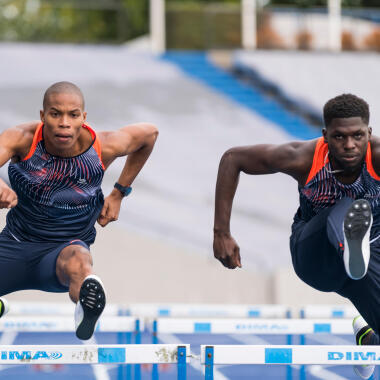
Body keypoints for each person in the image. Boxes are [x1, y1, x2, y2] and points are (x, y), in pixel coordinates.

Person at [213, 94, 379, 379]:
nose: (349, 146)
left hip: (366, 260)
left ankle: (369, 340)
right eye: (339, 137)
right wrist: (221, 233)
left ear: (369, 133)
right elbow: (233, 158)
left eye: (357, 136)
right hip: (315, 253)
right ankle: (350, 243)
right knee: (345, 209)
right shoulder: (302, 157)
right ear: (325, 136)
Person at [0, 81, 158, 340]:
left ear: (83, 118)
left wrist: (119, 192)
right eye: (55, 114)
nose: (64, 123)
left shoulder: (102, 146)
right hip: (16, 244)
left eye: (73, 115)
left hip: (62, 252)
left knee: (81, 264)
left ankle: (85, 310)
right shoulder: (22, 139)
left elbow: (149, 134)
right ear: (43, 116)